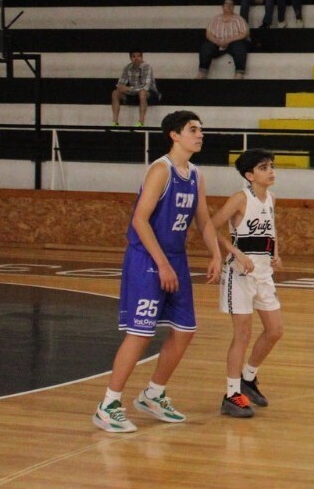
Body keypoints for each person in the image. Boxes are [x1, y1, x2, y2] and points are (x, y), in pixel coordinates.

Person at [91, 110, 222, 433]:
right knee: (141, 332)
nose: (200, 134)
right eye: (193, 129)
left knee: (185, 330)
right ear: (174, 135)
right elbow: (139, 219)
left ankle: (153, 394)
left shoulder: (195, 174)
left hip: (175, 258)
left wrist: (217, 254)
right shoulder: (160, 171)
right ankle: (108, 405)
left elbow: (204, 221)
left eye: (200, 130)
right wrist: (161, 263)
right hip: (147, 259)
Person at [210, 149, 283, 419]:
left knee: (275, 330)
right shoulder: (241, 198)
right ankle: (231, 395)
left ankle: (248, 377)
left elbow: (268, 229)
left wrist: (275, 252)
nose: (271, 171)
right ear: (250, 175)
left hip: (263, 273)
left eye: (271, 166)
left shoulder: (271, 198)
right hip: (239, 275)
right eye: (264, 167)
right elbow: (210, 225)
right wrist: (234, 252)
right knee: (242, 334)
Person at [198, 0, 249, 80]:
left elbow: (245, 33)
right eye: (226, 4)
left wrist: (229, 40)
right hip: (217, 43)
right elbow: (208, 34)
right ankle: (202, 73)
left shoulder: (239, 19)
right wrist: (217, 41)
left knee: (240, 46)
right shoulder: (215, 19)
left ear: (234, 7)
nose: (229, 6)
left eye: (231, 4)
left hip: (233, 43)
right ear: (222, 7)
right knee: (206, 47)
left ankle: (239, 74)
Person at [110, 50, 156, 126]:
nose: (136, 58)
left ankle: (141, 122)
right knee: (115, 93)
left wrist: (128, 88)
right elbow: (120, 84)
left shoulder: (147, 67)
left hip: (150, 94)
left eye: (138, 56)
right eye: (134, 56)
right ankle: (115, 122)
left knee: (142, 92)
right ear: (130, 58)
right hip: (134, 94)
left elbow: (145, 86)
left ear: (142, 57)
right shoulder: (127, 67)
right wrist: (121, 88)